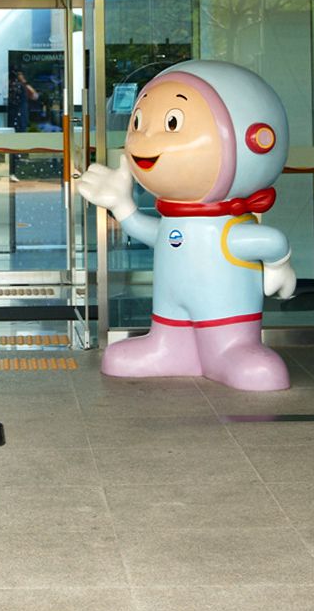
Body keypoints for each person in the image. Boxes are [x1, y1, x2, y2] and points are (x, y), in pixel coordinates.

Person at [77, 60, 294, 391]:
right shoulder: (173, 221)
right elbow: (153, 233)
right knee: (152, 337)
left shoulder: (225, 227)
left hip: (227, 318)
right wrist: (123, 206)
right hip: (170, 314)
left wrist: (279, 264)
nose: (144, 138)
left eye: (172, 123)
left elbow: (270, 241)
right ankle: (168, 346)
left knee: (252, 366)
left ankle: (233, 350)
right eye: (139, 122)